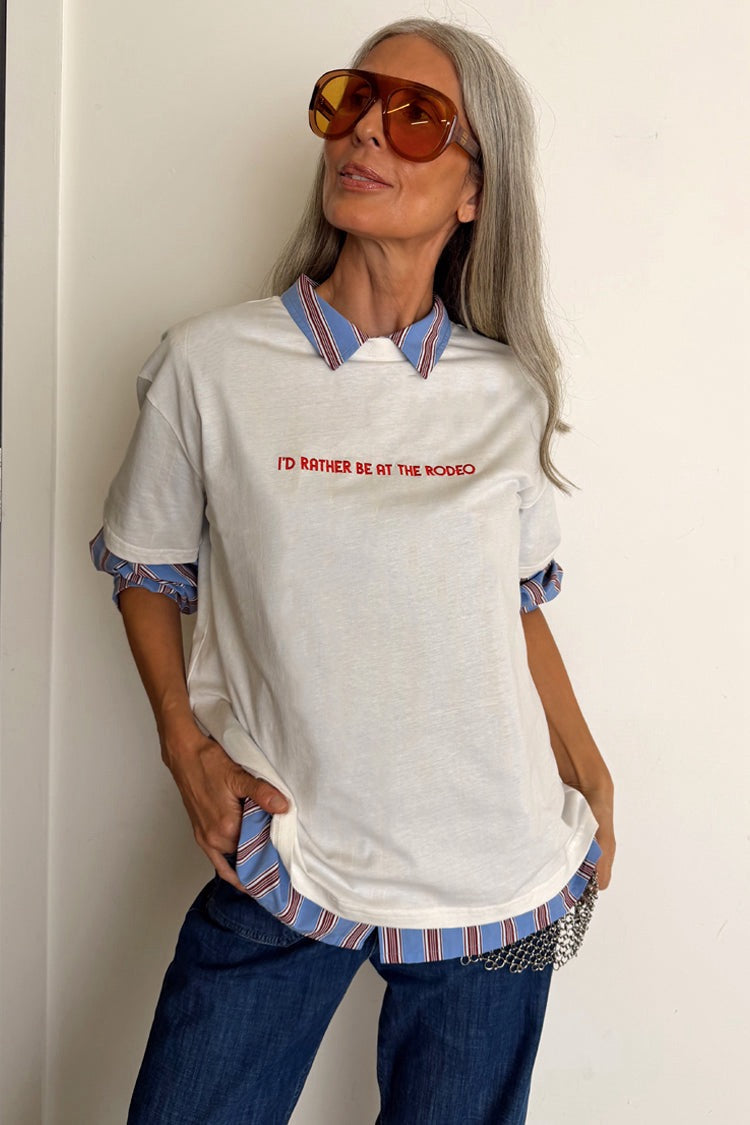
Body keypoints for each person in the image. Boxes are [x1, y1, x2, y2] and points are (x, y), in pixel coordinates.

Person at [90, 16, 616, 1124]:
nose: (367, 132)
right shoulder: (209, 366)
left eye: (419, 118)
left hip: (502, 874)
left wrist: (588, 768)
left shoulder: (509, 394)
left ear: (476, 191)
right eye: (352, 101)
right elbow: (146, 567)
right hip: (285, 853)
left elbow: (512, 609)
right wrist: (185, 749)